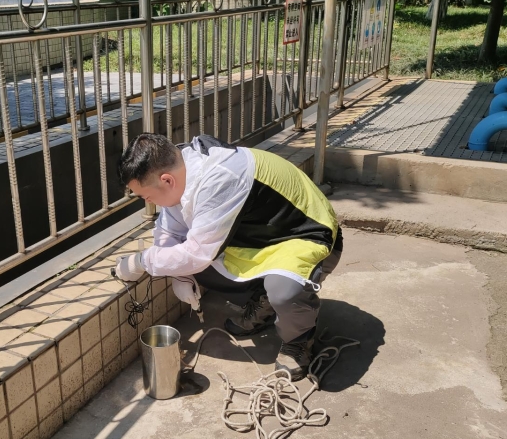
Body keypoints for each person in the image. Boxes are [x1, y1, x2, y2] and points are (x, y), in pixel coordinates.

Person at [115, 133, 343, 381]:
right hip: (259, 238)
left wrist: (140, 262)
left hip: (304, 235)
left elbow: (197, 254)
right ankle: (263, 301)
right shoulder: (182, 171)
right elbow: (170, 232)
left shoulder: (220, 177)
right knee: (186, 262)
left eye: (147, 197)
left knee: (284, 292)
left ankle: (298, 342)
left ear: (166, 180)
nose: (148, 202)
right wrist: (179, 275)